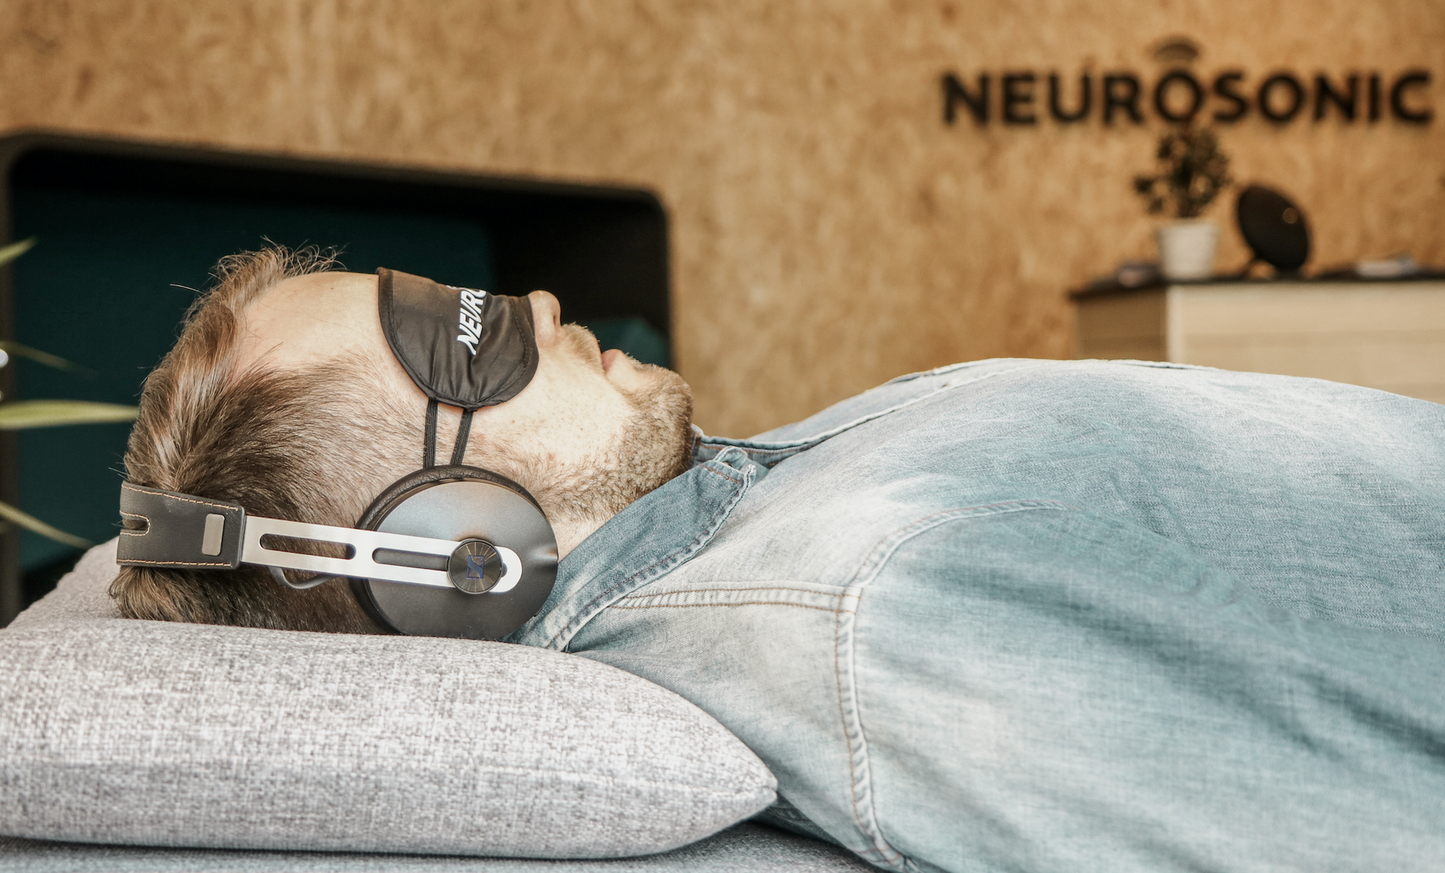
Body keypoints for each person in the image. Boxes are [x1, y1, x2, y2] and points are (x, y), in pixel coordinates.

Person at [113, 247, 1445, 872]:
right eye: (461, 342)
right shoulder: (885, 616)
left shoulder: (759, 505)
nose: (536, 305)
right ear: (450, 552)